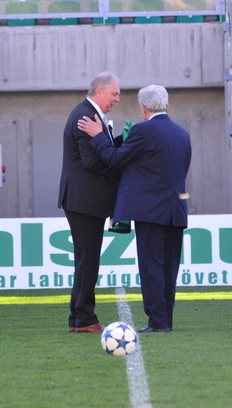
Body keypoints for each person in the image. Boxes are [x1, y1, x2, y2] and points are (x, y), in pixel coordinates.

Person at [76, 84, 190, 333]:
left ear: (143, 108)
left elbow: (115, 159)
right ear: (167, 105)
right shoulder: (182, 133)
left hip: (150, 211)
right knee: (169, 269)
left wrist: (98, 136)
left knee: (151, 268)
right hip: (176, 209)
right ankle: (165, 321)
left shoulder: (143, 130)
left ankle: (157, 322)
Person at [58, 72, 122, 334]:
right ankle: (84, 318)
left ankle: (78, 317)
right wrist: (121, 163)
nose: (117, 99)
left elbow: (100, 150)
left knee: (86, 260)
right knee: (88, 261)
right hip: (84, 200)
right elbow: (93, 162)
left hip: (84, 199)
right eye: (114, 94)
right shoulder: (86, 116)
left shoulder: (89, 113)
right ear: (99, 91)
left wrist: (122, 142)